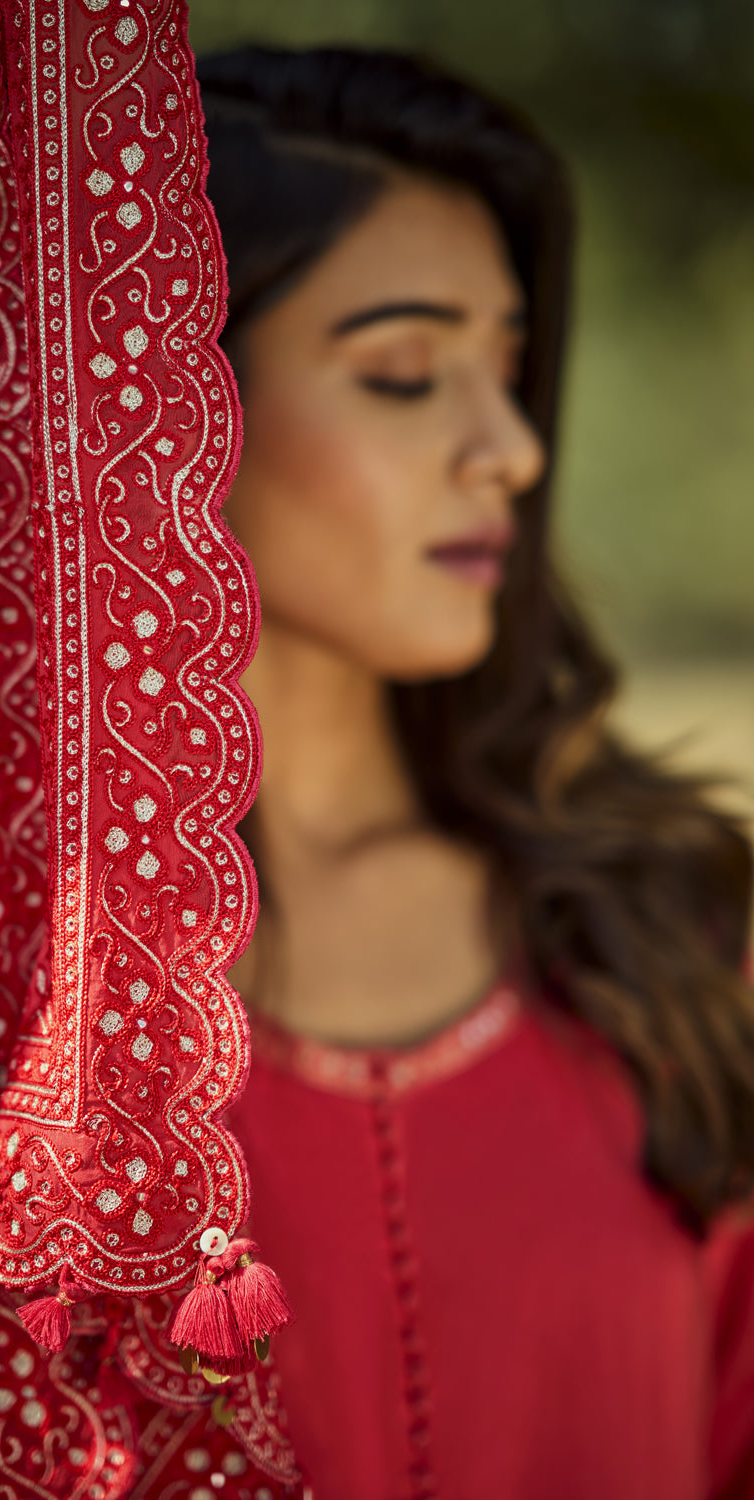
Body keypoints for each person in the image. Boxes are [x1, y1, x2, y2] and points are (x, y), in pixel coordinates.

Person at [191, 45, 754, 1499]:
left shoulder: (666, 931)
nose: (508, 450)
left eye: (509, 373)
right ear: (167, 411)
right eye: (403, 372)